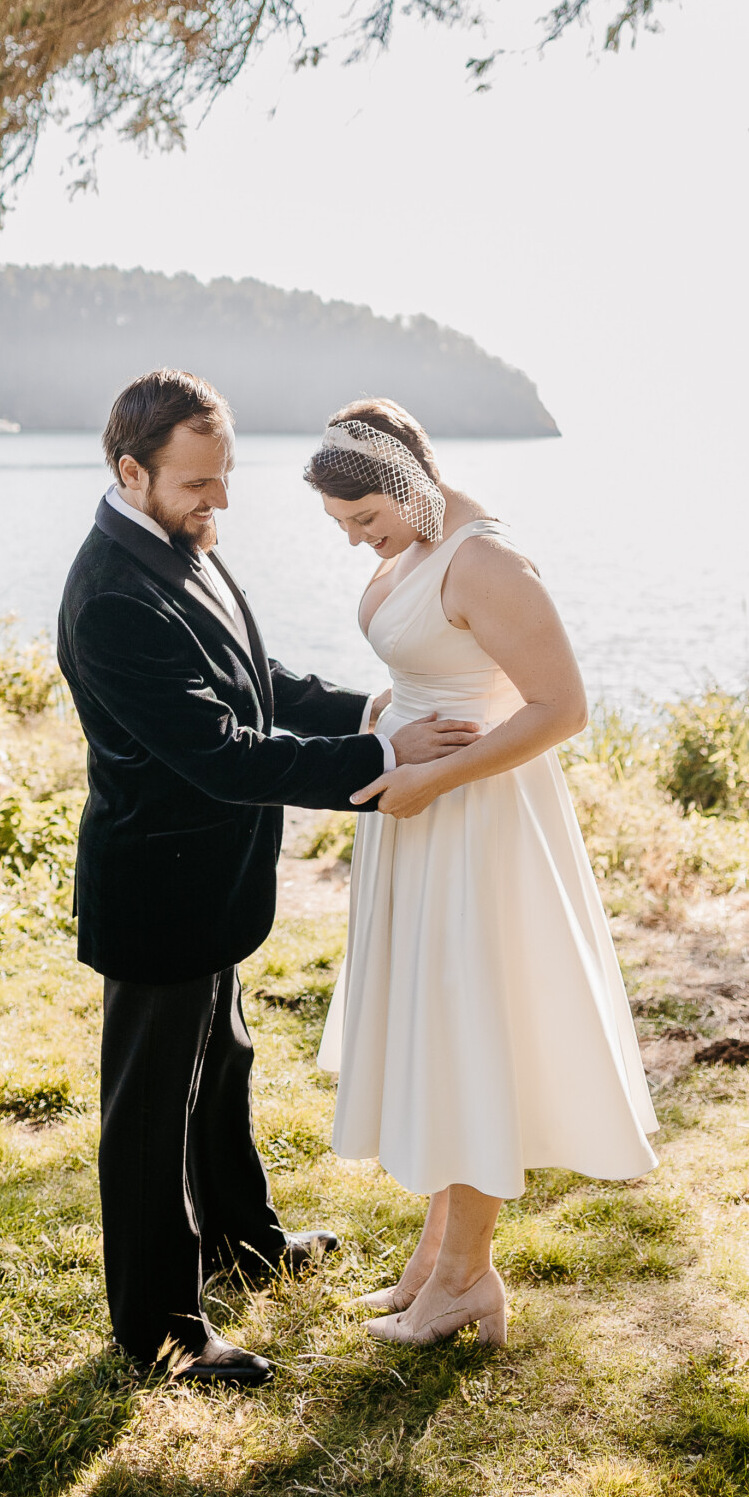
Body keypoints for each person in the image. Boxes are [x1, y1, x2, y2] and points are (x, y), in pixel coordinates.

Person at [57, 370, 481, 1386]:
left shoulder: (184, 547)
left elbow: (262, 682)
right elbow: (225, 751)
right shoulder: (115, 595)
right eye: (201, 484)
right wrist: (382, 763)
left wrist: (373, 713)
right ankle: (161, 1328)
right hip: (158, 893)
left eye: (226, 477)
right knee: (152, 1114)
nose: (222, 502)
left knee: (225, 1068)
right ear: (132, 470)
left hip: (212, 886)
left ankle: (246, 1242)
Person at [307, 399, 658, 1349]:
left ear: (410, 484)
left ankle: (466, 1277)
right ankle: (434, 1261)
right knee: (435, 1033)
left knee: (470, 1036)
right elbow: (441, 662)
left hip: (477, 818)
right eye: (344, 531)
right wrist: (392, 704)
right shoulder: (418, 549)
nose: (358, 544)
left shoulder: (487, 560)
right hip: (418, 812)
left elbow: (560, 707)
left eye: (366, 524)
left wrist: (431, 777)